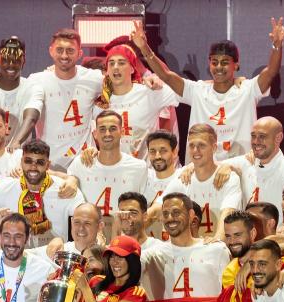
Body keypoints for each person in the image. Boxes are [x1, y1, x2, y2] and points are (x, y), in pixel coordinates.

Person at [131, 19, 284, 159]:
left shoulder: (247, 89)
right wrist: (144, 47)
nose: (219, 67)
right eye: (214, 62)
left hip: (241, 169)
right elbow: (166, 76)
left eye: (225, 62)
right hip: (201, 170)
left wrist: (277, 45)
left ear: (236, 65)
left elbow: (271, 71)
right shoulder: (197, 90)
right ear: (209, 63)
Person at [0, 140, 85, 248]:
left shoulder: (65, 190)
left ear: (48, 165)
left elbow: (84, 226)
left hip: (54, 262)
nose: (33, 167)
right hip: (18, 262)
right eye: (28, 161)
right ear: (21, 162)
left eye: (40, 162)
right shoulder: (5, 187)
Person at [27, 29, 103, 169]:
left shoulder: (94, 78)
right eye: (59, 50)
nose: (64, 55)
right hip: (49, 165)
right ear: (51, 51)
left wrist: (149, 78)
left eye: (70, 51)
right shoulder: (36, 80)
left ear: (80, 54)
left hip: (86, 163)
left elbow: (121, 85)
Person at [68, 110, 148, 238]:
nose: (107, 134)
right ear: (95, 134)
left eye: (112, 128)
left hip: (124, 243)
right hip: (89, 241)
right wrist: (71, 179)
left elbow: (145, 208)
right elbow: (66, 180)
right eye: (102, 129)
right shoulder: (81, 163)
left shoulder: (139, 167)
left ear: (122, 132)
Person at [94, 43, 179, 159]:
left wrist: (161, 80)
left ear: (133, 68)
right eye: (111, 63)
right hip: (114, 172)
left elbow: (184, 90)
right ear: (107, 70)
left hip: (146, 173)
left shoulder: (149, 92)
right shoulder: (100, 103)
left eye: (122, 62)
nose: (116, 67)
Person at [159, 124, 242, 242]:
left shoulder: (228, 177)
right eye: (191, 145)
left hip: (220, 248)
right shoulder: (183, 176)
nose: (195, 150)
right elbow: (159, 206)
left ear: (214, 148)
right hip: (188, 251)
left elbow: (228, 214)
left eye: (201, 145)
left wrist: (216, 242)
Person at [141, 192, 230, 300]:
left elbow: (229, 296)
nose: (170, 218)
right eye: (165, 214)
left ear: (191, 214)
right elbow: (128, 265)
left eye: (176, 212)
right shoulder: (154, 254)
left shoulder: (217, 249)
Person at [224, 116, 284, 212]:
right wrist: (225, 168)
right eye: (253, 136)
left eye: (262, 136)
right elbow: (212, 165)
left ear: (278, 138)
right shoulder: (248, 161)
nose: (256, 141)